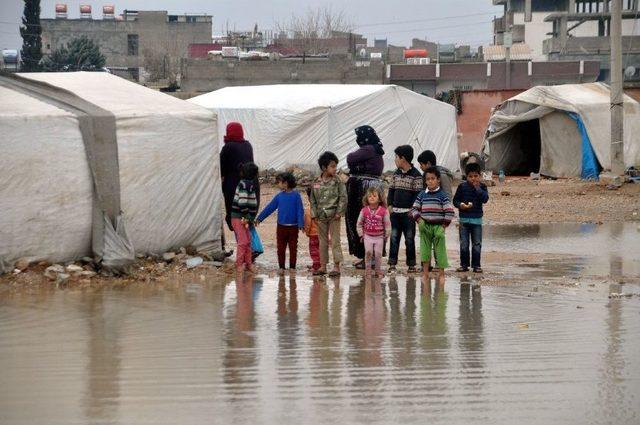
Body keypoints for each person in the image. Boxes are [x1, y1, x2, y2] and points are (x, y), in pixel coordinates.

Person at [346, 126, 385, 269]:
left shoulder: (368, 149)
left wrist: (357, 165)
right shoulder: (375, 149)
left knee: (362, 220)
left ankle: (368, 258)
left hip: (364, 188)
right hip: (370, 186)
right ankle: (368, 257)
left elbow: (350, 158)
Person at [219, 122, 260, 255]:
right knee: (248, 218)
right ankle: (252, 247)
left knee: (236, 218)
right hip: (252, 186)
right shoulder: (248, 145)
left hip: (234, 187)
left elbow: (221, 168)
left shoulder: (228, 147)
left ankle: (246, 251)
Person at [410, 166, 455, 286]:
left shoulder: (442, 195)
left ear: (438, 180)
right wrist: (419, 220)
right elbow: (414, 209)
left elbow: (449, 211)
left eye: (433, 178)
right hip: (425, 226)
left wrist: (444, 226)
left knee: (440, 251)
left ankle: (442, 274)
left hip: (438, 227)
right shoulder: (422, 195)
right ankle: (425, 274)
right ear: (425, 181)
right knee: (425, 252)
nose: (430, 181)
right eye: (428, 179)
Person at [255, 172, 304, 274]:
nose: (278, 184)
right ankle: (281, 267)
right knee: (281, 248)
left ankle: (292, 267)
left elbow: (300, 210)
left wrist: (301, 224)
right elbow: (270, 208)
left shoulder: (296, 196)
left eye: (279, 182)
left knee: (293, 248)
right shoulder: (279, 196)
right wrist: (260, 218)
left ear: (286, 183)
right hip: (281, 227)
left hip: (293, 227)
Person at [310, 151, 347, 277]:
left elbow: (343, 197)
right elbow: (313, 200)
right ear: (324, 167)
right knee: (322, 241)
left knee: (335, 240)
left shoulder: (337, 181)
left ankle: (337, 266)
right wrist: (314, 214)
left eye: (336, 166)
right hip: (321, 216)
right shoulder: (316, 182)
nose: (335, 169)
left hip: (334, 216)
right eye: (332, 166)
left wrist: (339, 212)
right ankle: (323, 266)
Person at [387, 145, 423, 273]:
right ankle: (392, 264)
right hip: (395, 214)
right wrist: (390, 207)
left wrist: (412, 211)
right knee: (394, 238)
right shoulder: (395, 174)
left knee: (409, 239)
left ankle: (411, 264)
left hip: (408, 215)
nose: (395, 160)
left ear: (403, 159)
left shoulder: (416, 175)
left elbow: (417, 196)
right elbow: (391, 191)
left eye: (396, 157)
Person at [452, 162, 489, 273]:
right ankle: (464, 265)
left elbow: (485, 199)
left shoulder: (482, 187)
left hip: (477, 220)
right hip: (463, 221)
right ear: (466, 177)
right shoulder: (462, 186)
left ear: (480, 176)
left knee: (477, 244)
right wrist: (461, 205)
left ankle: (476, 265)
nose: (473, 179)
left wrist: (478, 189)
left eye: (475, 176)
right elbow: (455, 201)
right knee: (464, 244)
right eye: (470, 176)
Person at [231, 162, 260, 274]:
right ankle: (239, 264)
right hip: (239, 217)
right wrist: (247, 217)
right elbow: (242, 203)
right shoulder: (244, 185)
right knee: (243, 241)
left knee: (248, 241)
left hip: (244, 217)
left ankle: (248, 264)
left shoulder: (249, 184)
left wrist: (249, 218)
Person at [356, 187, 391, 278]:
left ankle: (377, 271)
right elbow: (359, 224)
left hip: (379, 237)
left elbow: (387, 224)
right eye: (370, 196)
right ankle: (367, 271)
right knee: (368, 252)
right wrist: (361, 235)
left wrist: (386, 236)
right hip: (367, 236)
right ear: (367, 198)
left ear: (379, 198)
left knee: (378, 254)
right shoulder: (364, 210)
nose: (372, 198)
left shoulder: (384, 211)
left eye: (374, 196)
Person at [304, 187, 321, 272]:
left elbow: (308, 223)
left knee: (314, 251)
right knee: (321, 250)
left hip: (313, 234)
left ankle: (316, 266)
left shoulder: (309, 210)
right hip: (322, 234)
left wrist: (307, 232)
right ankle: (320, 265)